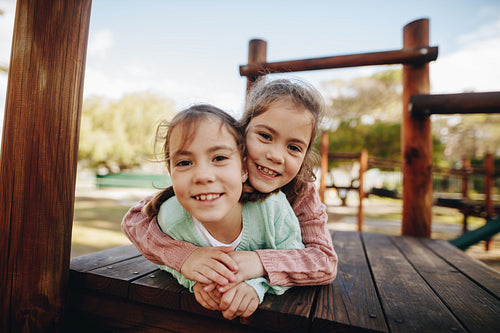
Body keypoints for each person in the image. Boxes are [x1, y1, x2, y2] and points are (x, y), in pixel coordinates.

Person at [122, 78, 338, 317]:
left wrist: (258, 264)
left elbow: (323, 261)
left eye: (294, 147)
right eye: (265, 136)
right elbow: (136, 219)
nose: (276, 155)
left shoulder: (301, 192)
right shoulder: (214, 178)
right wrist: (186, 258)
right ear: (241, 136)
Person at [144, 104, 305, 319]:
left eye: (219, 158)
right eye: (184, 162)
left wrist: (258, 284)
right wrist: (192, 278)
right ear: (170, 173)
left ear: (243, 169)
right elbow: (162, 259)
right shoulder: (171, 218)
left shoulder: (273, 210)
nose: (202, 175)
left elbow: (296, 259)